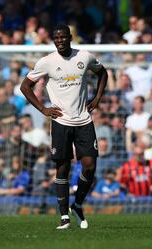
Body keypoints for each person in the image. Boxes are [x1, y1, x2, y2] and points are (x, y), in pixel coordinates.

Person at [20, 24, 107, 230]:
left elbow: (102, 73)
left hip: (84, 120)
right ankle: (64, 217)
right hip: (60, 121)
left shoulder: (84, 56)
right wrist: (43, 109)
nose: (59, 41)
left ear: (69, 38)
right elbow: (25, 86)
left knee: (90, 165)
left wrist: (97, 98)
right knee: (63, 167)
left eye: (63, 37)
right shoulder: (47, 62)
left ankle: (77, 205)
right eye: (56, 38)